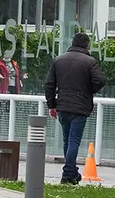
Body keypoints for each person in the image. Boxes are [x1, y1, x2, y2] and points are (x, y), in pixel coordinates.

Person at [45, 32, 107, 185]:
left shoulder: (58, 61)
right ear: (86, 45)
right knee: (74, 141)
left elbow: (49, 85)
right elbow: (100, 80)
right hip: (80, 106)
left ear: (72, 43)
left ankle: (72, 173)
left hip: (63, 105)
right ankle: (67, 174)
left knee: (67, 140)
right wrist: (88, 90)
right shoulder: (90, 62)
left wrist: (52, 105)